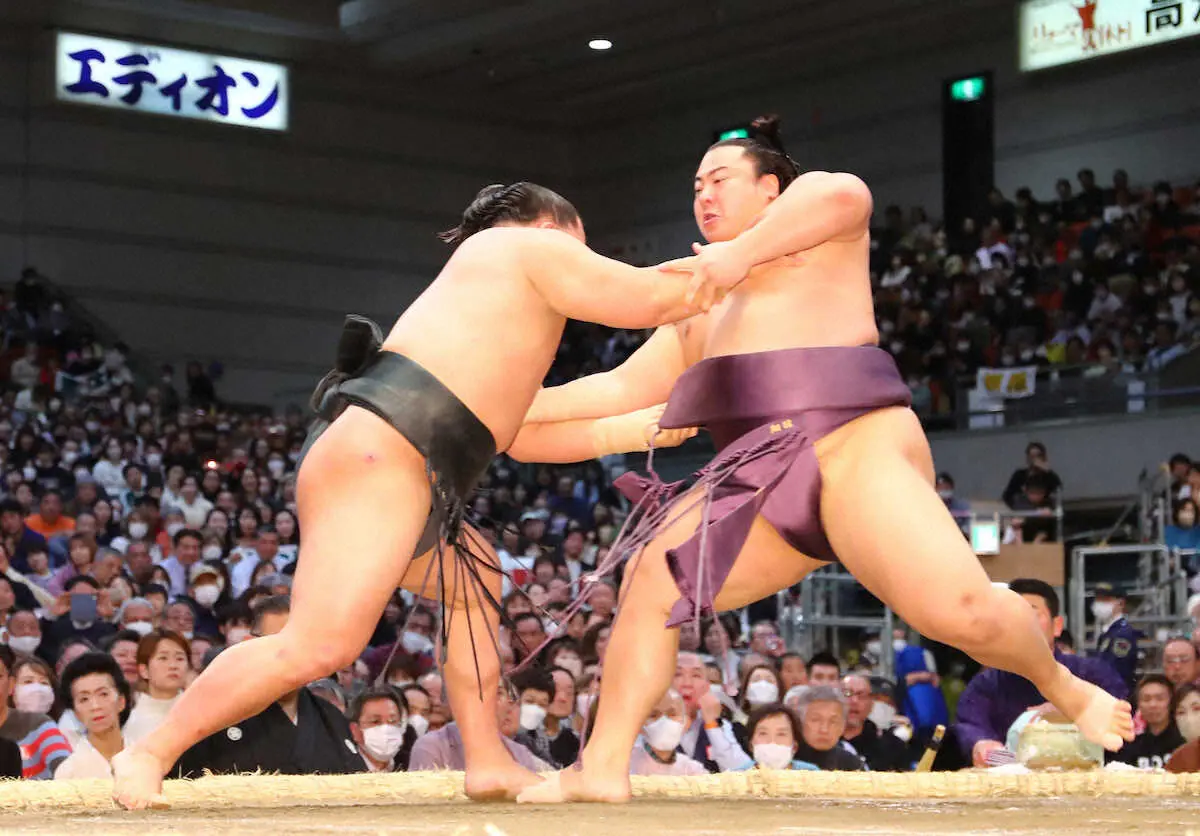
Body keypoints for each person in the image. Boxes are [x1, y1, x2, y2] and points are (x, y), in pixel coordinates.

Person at [515, 119, 1133, 803]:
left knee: (965, 614)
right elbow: (621, 389)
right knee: (651, 583)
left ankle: (1062, 683)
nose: (704, 197)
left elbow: (845, 195)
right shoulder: (698, 304)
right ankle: (600, 767)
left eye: (720, 180)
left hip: (855, 449)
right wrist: (514, 403)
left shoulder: (818, 232)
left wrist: (738, 255)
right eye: (696, 187)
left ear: (772, 188)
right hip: (754, 481)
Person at [113, 182, 728, 809]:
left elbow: (527, 439)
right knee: (320, 645)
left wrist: (653, 426)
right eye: (584, 246)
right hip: (383, 455)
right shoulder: (521, 246)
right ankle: (150, 751)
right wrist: (739, 257)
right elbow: (647, 298)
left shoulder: (495, 320)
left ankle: (485, 761)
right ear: (552, 226)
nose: (585, 259)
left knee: (477, 580)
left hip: (400, 462)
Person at [170, 596, 364, 778]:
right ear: (250, 645)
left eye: (301, 646)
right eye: (278, 645)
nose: (291, 657)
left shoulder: (330, 716)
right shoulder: (213, 713)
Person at [953, 579, 1128, 767]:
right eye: (1012, 616)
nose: (1022, 623)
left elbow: (1122, 712)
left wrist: (1068, 708)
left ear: (1057, 626)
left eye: (1032, 613)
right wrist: (980, 743)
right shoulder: (987, 684)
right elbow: (969, 723)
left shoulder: (1092, 673)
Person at [54, 653, 133, 779]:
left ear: (121, 701)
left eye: (103, 694)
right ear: (75, 713)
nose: (95, 706)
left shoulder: (145, 759)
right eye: (84, 699)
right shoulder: (68, 772)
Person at [0, 645, 72, 779]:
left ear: (10, 685)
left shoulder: (40, 724)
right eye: (28, 682)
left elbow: (67, 770)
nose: (36, 689)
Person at [122, 630, 189, 747]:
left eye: (180, 658)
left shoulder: (199, 710)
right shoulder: (131, 722)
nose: (173, 665)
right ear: (144, 670)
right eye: (163, 658)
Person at [629, 688, 707, 776]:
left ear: (686, 723)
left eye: (672, 714)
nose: (664, 721)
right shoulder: (624, 764)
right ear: (639, 726)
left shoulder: (692, 770)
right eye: (654, 715)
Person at [1112, 675, 1184, 769]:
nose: (1152, 705)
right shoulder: (1130, 746)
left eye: (1159, 698)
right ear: (1138, 704)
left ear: (1171, 702)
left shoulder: (1184, 742)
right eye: (1146, 699)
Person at [842, 673, 910, 771]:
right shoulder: (821, 741)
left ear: (871, 704)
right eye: (847, 694)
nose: (854, 701)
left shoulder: (892, 747)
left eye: (861, 695)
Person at [734, 703, 818, 771]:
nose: (772, 741)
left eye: (781, 734)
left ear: (794, 746)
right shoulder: (736, 776)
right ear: (751, 744)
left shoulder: (812, 773)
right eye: (763, 733)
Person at [347, 685, 413, 773]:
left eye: (392, 721)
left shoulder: (410, 767)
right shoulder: (342, 770)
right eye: (375, 721)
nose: (386, 729)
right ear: (355, 730)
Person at [1092, 583, 1140, 692]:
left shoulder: (1122, 634)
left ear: (1121, 603)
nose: (1099, 604)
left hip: (1116, 693)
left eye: (1105, 600)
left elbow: (1117, 669)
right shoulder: (1109, 631)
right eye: (1098, 600)